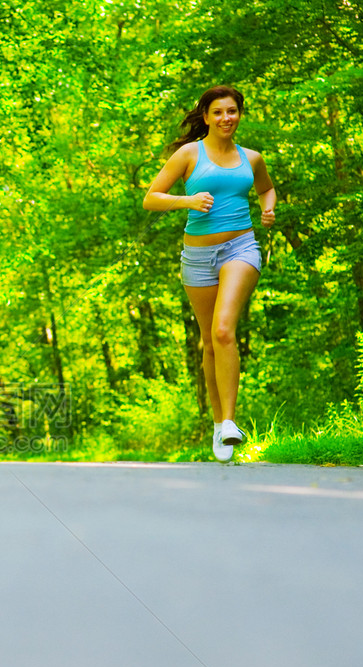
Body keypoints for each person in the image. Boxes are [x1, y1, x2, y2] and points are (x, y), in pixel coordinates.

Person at [143, 85, 276, 462]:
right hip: (197, 256)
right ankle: (219, 425)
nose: (225, 118)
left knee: (223, 330)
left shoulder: (252, 158)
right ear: (206, 117)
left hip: (241, 247)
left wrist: (268, 209)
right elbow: (151, 197)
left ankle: (231, 421)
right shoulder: (189, 154)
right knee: (207, 340)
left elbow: (267, 190)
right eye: (218, 112)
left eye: (232, 111)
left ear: (239, 114)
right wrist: (187, 200)